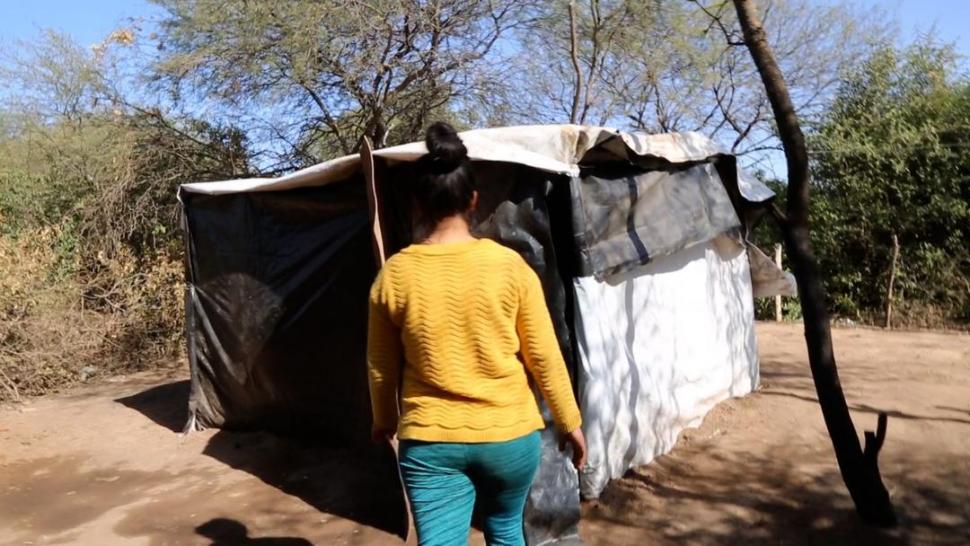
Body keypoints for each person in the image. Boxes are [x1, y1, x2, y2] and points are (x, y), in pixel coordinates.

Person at [366, 122, 587, 546]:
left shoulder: (395, 274)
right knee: (505, 530)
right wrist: (570, 422)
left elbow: (381, 364)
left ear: (416, 203)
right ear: (472, 200)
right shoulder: (509, 268)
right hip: (509, 438)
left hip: (431, 441)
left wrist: (383, 420)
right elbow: (543, 354)